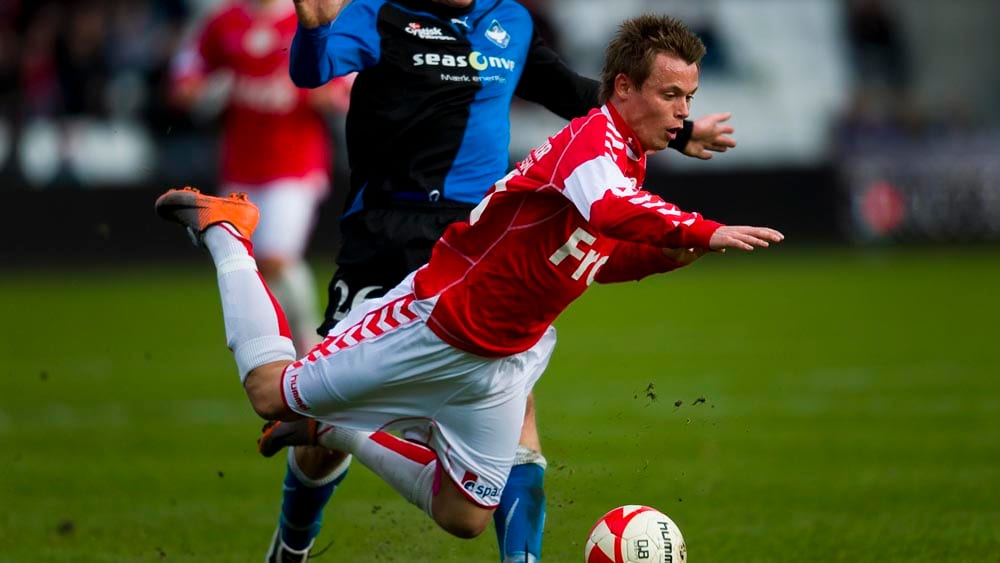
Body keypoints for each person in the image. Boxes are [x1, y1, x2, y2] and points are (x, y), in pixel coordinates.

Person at [154, 12, 783, 559]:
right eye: (671, 95)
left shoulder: (623, 153)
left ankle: (336, 429)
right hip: (435, 320)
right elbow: (610, 212)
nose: (684, 112)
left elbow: (590, 253)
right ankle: (227, 233)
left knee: (463, 516)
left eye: (688, 98)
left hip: (503, 355)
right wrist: (702, 230)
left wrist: (661, 257)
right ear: (623, 87)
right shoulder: (593, 141)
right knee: (271, 393)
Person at [169, 0, 352, 355]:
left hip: (296, 163)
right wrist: (204, 92)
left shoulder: (308, 16)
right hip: (240, 166)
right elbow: (185, 77)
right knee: (253, 268)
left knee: (276, 257)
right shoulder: (223, 22)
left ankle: (309, 339)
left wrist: (325, 94)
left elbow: (342, 85)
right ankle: (281, 345)